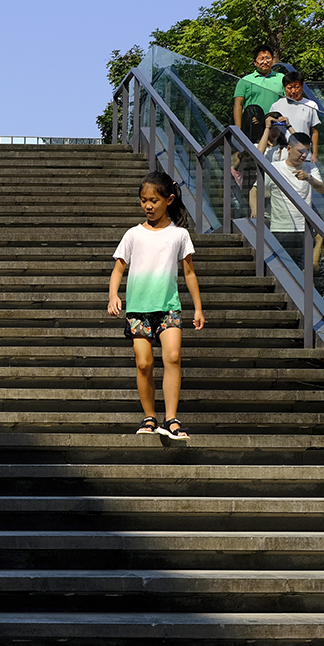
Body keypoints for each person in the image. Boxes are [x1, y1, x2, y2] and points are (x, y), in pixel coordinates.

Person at [106, 168, 205, 442]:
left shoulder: (179, 235)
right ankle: (150, 416)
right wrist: (113, 295)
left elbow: (189, 273)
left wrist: (198, 307)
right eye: (143, 200)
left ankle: (171, 419)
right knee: (143, 363)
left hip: (168, 307)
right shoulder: (133, 234)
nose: (148, 206)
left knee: (172, 357)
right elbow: (118, 269)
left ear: (169, 200)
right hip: (138, 309)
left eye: (154, 200)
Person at [266, 129, 324, 270]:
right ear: (289, 148)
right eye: (300, 151)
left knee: (303, 271)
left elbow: (321, 189)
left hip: (303, 229)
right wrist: (255, 211)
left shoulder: (311, 168)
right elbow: (255, 189)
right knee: (280, 269)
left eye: (307, 151)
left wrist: (309, 178)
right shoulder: (275, 167)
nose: (304, 155)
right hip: (280, 228)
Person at [266, 72, 321, 162]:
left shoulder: (310, 105)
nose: (293, 91)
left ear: (302, 87)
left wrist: (314, 154)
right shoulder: (276, 105)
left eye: (296, 87)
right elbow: (270, 129)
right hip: (281, 155)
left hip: (303, 154)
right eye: (289, 87)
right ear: (284, 88)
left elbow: (314, 132)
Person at [233, 45, 285, 131]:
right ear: (255, 62)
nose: (265, 62)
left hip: (276, 126)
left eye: (268, 58)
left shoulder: (281, 78)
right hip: (253, 126)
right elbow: (238, 105)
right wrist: (238, 130)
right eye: (262, 59)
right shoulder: (245, 81)